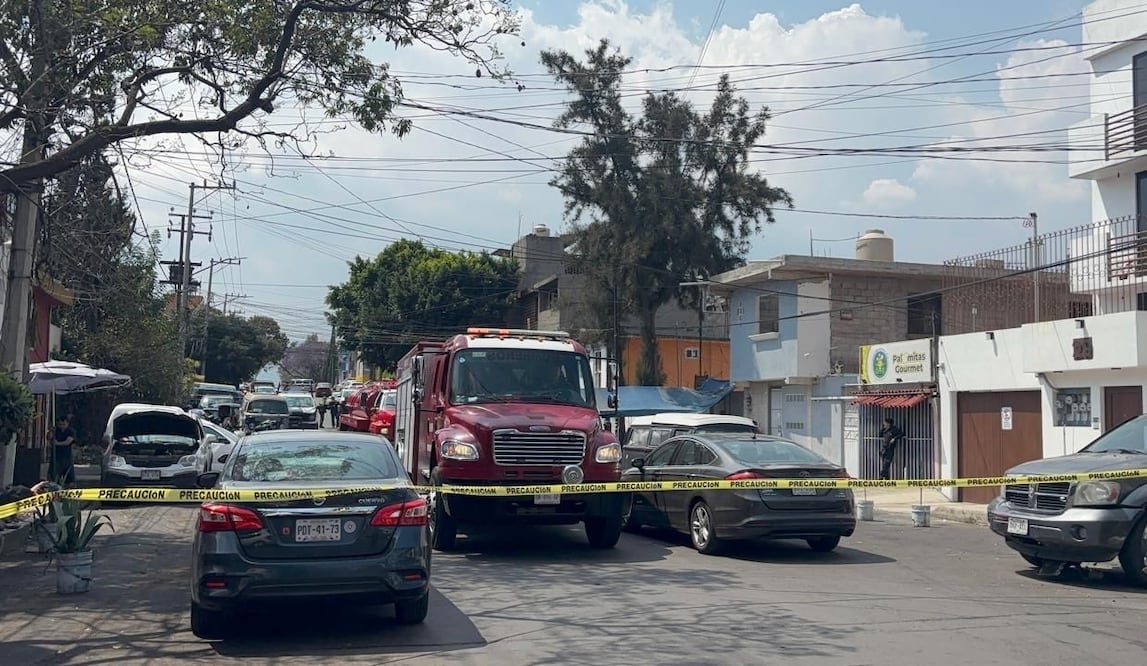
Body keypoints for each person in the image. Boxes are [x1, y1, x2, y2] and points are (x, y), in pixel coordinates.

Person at [50, 416, 77, 485]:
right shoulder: (56, 431)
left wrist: (57, 443)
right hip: (56, 455)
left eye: (63, 424)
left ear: (67, 424)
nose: (62, 426)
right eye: (60, 424)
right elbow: (49, 438)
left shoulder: (70, 431)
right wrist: (51, 432)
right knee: (54, 472)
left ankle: (69, 484)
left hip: (66, 456)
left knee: (68, 474)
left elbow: (68, 442)